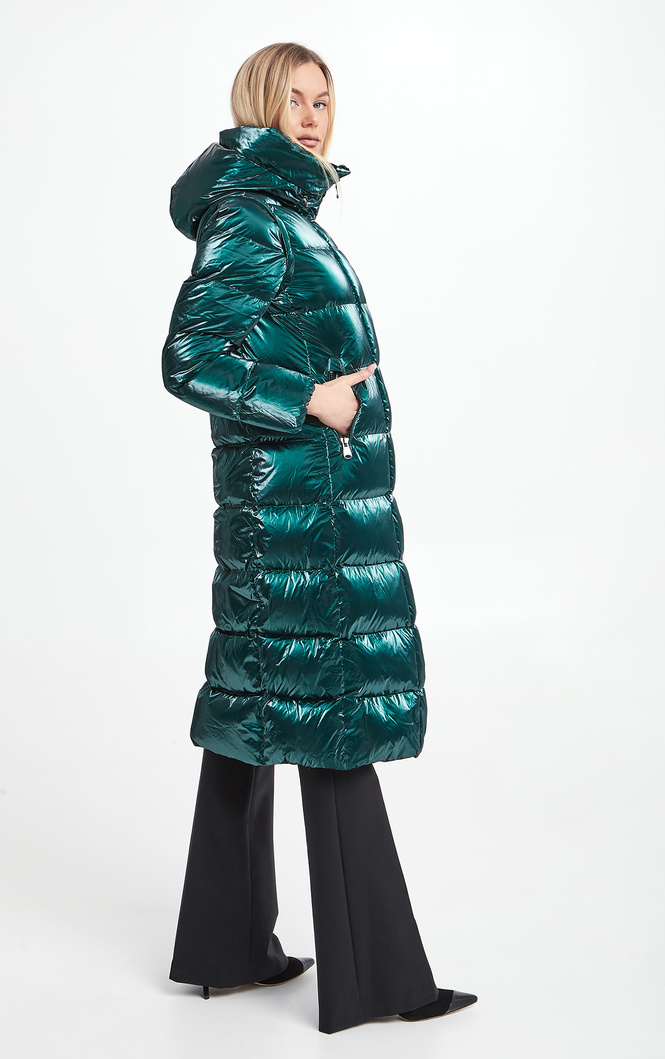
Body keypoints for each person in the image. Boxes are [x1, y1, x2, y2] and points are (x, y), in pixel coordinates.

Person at [161, 41, 477, 1035]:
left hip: (291, 513)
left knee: (253, 715)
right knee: (331, 720)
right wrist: (310, 400)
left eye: (322, 100)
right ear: (258, 107)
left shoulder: (271, 209)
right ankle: (379, 982)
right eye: (292, 99)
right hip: (297, 518)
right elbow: (188, 358)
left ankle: (224, 950)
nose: (310, 116)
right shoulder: (253, 216)